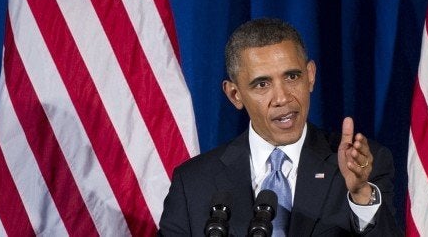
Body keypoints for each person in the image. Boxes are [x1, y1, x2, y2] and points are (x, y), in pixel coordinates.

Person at [159, 18, 399, 236]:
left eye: (292, 77)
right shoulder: (193, 183)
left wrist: (361, 196)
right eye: (262, 84)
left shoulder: (362, 166)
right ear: (235, 94)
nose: (282, 97)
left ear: (311, 76)